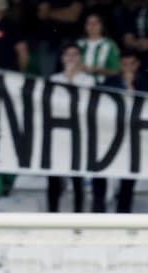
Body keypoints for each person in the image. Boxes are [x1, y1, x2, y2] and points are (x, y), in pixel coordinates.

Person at [47, 44, 96, 214]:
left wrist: (71, 78)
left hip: (78, 134)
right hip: (59, 134)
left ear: (80, 58)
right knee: (53, 177)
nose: (71, 58)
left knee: (77, 176)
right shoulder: (54, 79)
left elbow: (84, 102)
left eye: (75, 54)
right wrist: (67, 77)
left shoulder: (88, 80)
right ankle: (52, 214)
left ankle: (78, 216)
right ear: (62, 58)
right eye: (68, 54)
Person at [99, 51, 148, 212]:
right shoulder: (110, 81)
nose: (127, 67)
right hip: (110, 135)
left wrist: (129, 87)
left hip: (133, 137)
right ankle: (98, 212)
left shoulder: (144, 83)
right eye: (124, 63)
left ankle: (123, 213)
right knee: (101, 177)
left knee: (128, 179)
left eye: (131, 64)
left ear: (137, 65)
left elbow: (146, 107)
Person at [36, 0, 84, 77]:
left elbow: (72, 16)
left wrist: (49, 12)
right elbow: (41, 14)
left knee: (69, 75)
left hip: (68, 42)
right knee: (46, 77)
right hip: (47, 40)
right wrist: (64, 12)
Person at [78, 11, 120, 83]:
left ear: (102, 25)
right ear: (85, 26)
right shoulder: (79, 43)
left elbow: (116, 70)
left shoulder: (109, 45)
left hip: (101, 84)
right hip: (79, 81)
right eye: (89, 23)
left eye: (96, 23)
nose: (92, 26)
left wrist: (98, 70)